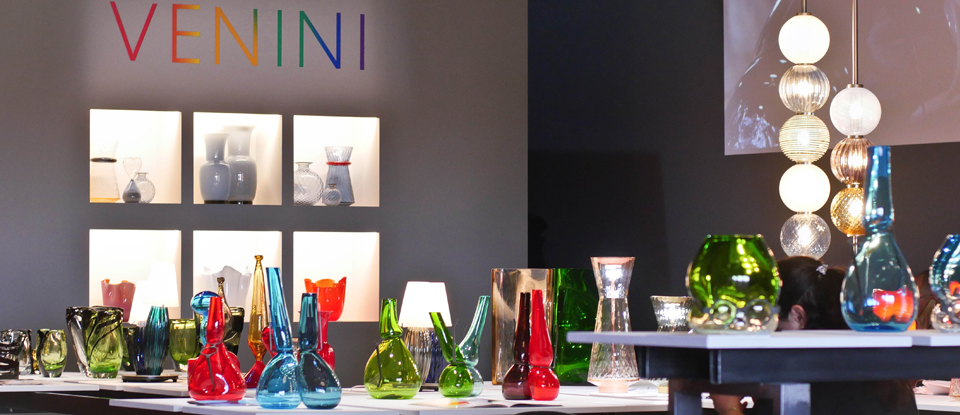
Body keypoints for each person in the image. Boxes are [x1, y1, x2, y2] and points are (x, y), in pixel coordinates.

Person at [711, 257, 918, 415]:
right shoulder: (879, 369)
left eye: (771, 325)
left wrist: (729, 409)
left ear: (798, 316)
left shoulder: (805, 382)